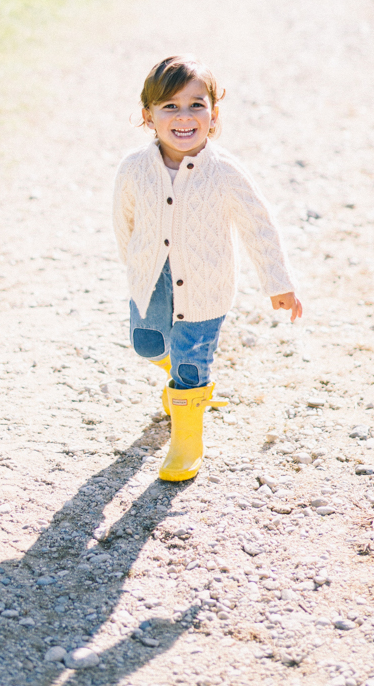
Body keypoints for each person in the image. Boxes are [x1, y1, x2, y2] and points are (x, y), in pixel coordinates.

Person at [113, 55, 302, 482]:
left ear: (213, 116)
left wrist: (279, 282)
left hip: (206, 286)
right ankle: (179, 376)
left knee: (190, 361)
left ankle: (186, 435)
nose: (184, 117)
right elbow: (123, 222)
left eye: (196, 105)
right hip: (151, 280)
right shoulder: (134, 169)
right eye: (170, 107)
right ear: (149, 117)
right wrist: (135, 267)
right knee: (146, 343)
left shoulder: (225, 172)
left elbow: (259, 227)